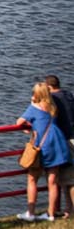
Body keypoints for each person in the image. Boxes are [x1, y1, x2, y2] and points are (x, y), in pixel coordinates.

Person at [16, 82, 70, 221]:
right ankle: (51, 214)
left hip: (42, 144)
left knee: (32, 179)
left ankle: (31, 213)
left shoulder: (34, 107)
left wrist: (27, 127)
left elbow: (19, 122)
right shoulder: (53, 106)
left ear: (36, 94)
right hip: (57, 142)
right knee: (52, 182)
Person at [45, 75, 74, 216]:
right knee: (68, 179)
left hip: (66, 140)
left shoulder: (54, 99)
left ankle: (71, 210)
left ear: (49, 87)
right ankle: (68, 209)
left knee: (69, 179)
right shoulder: (68, 95)